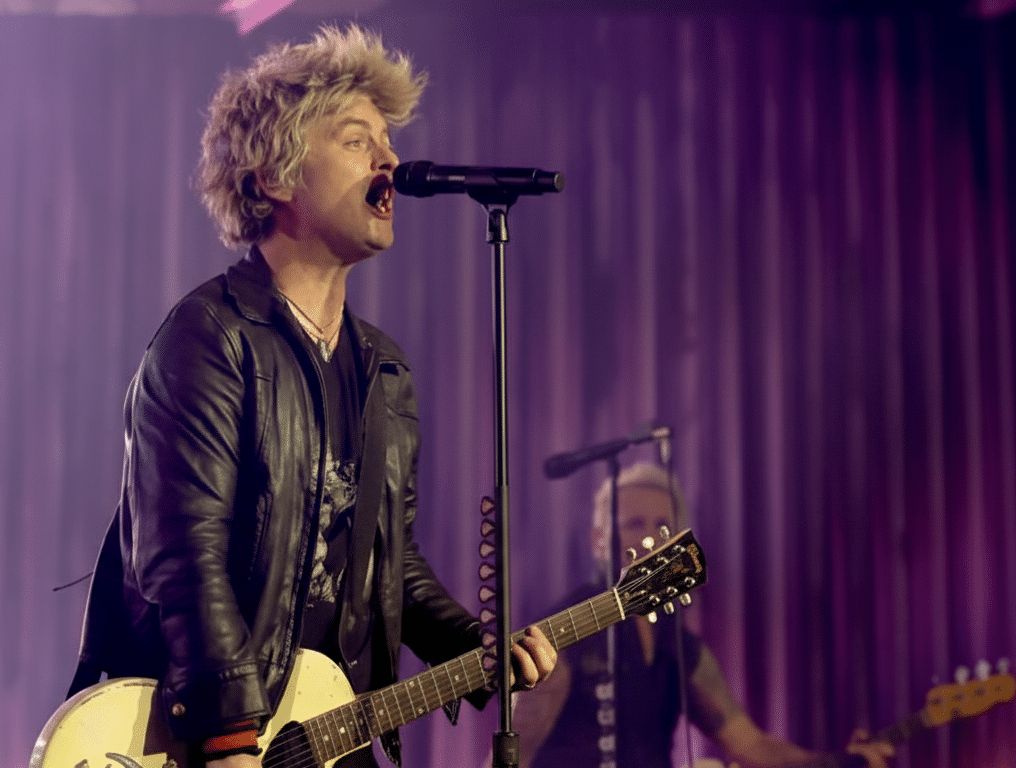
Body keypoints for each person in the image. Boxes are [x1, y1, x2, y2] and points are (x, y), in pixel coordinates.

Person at [67, 25, 556, 768]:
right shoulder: (209, 338)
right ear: (274, 175)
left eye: (388, 141)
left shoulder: (382, 371)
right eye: (359, 141)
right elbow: (182, 556)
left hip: (324, 732)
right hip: (210, 734)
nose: (390, 161)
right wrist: (229, 740)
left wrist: (481, 650)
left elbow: (392, 564)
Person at [511, 462, 895, 768]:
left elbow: (750, 744)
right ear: (599, 540)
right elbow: (516, 755)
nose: (651, 539)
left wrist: (839, 761)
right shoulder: (564, 630)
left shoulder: (678, 643)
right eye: (634, 524)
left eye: (663, 527)